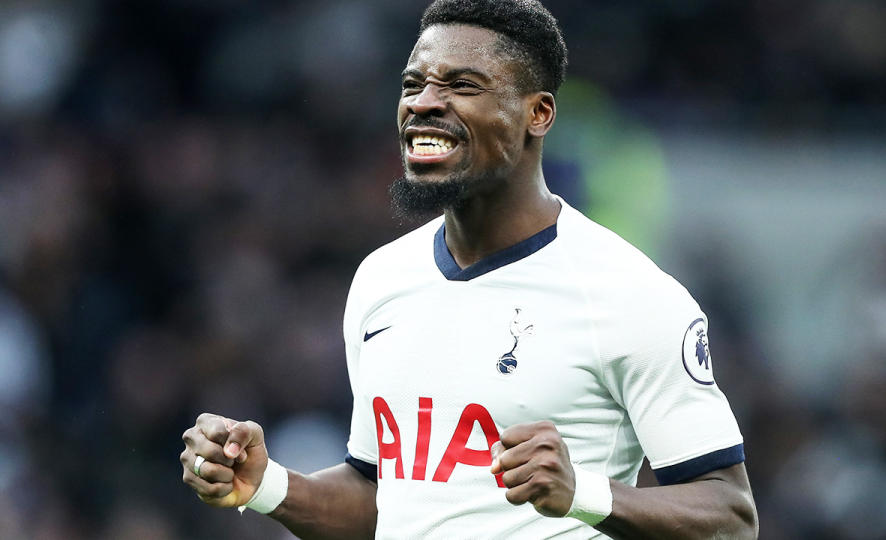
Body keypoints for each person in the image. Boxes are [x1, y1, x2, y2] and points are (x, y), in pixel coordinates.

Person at [180, 0, 758, 538]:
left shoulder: (628, 295)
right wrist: (266, 486)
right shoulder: (383, 280)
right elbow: (382, 498)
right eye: (414, 84)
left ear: (538, 113)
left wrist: (587, 493)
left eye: (462, 85)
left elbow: (730, 515)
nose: (425, 102)